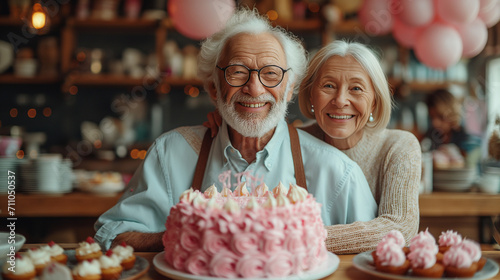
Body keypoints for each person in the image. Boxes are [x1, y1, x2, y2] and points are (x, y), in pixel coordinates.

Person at [94, 9, 377, 252]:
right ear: (214, 88)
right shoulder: (169, 154)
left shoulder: (337, 172)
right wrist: (184, 237)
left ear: (290, 89)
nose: (254, 89)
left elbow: (374, 252)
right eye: (238, 71)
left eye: (270, 73)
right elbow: (110, 235)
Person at [298, 41, 421, 253]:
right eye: (328, 86)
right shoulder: (293, 142)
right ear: (311, 94)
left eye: (356, 88)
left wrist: (302, 240)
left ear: (374, 100)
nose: (340, 100)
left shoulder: (398, 146)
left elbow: (400, 228)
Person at [423, 88, 482, 168]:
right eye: (432, 117)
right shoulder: (430, 136)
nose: (435, 123)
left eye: (440, 117)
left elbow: (473, 168)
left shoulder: (467, 139)